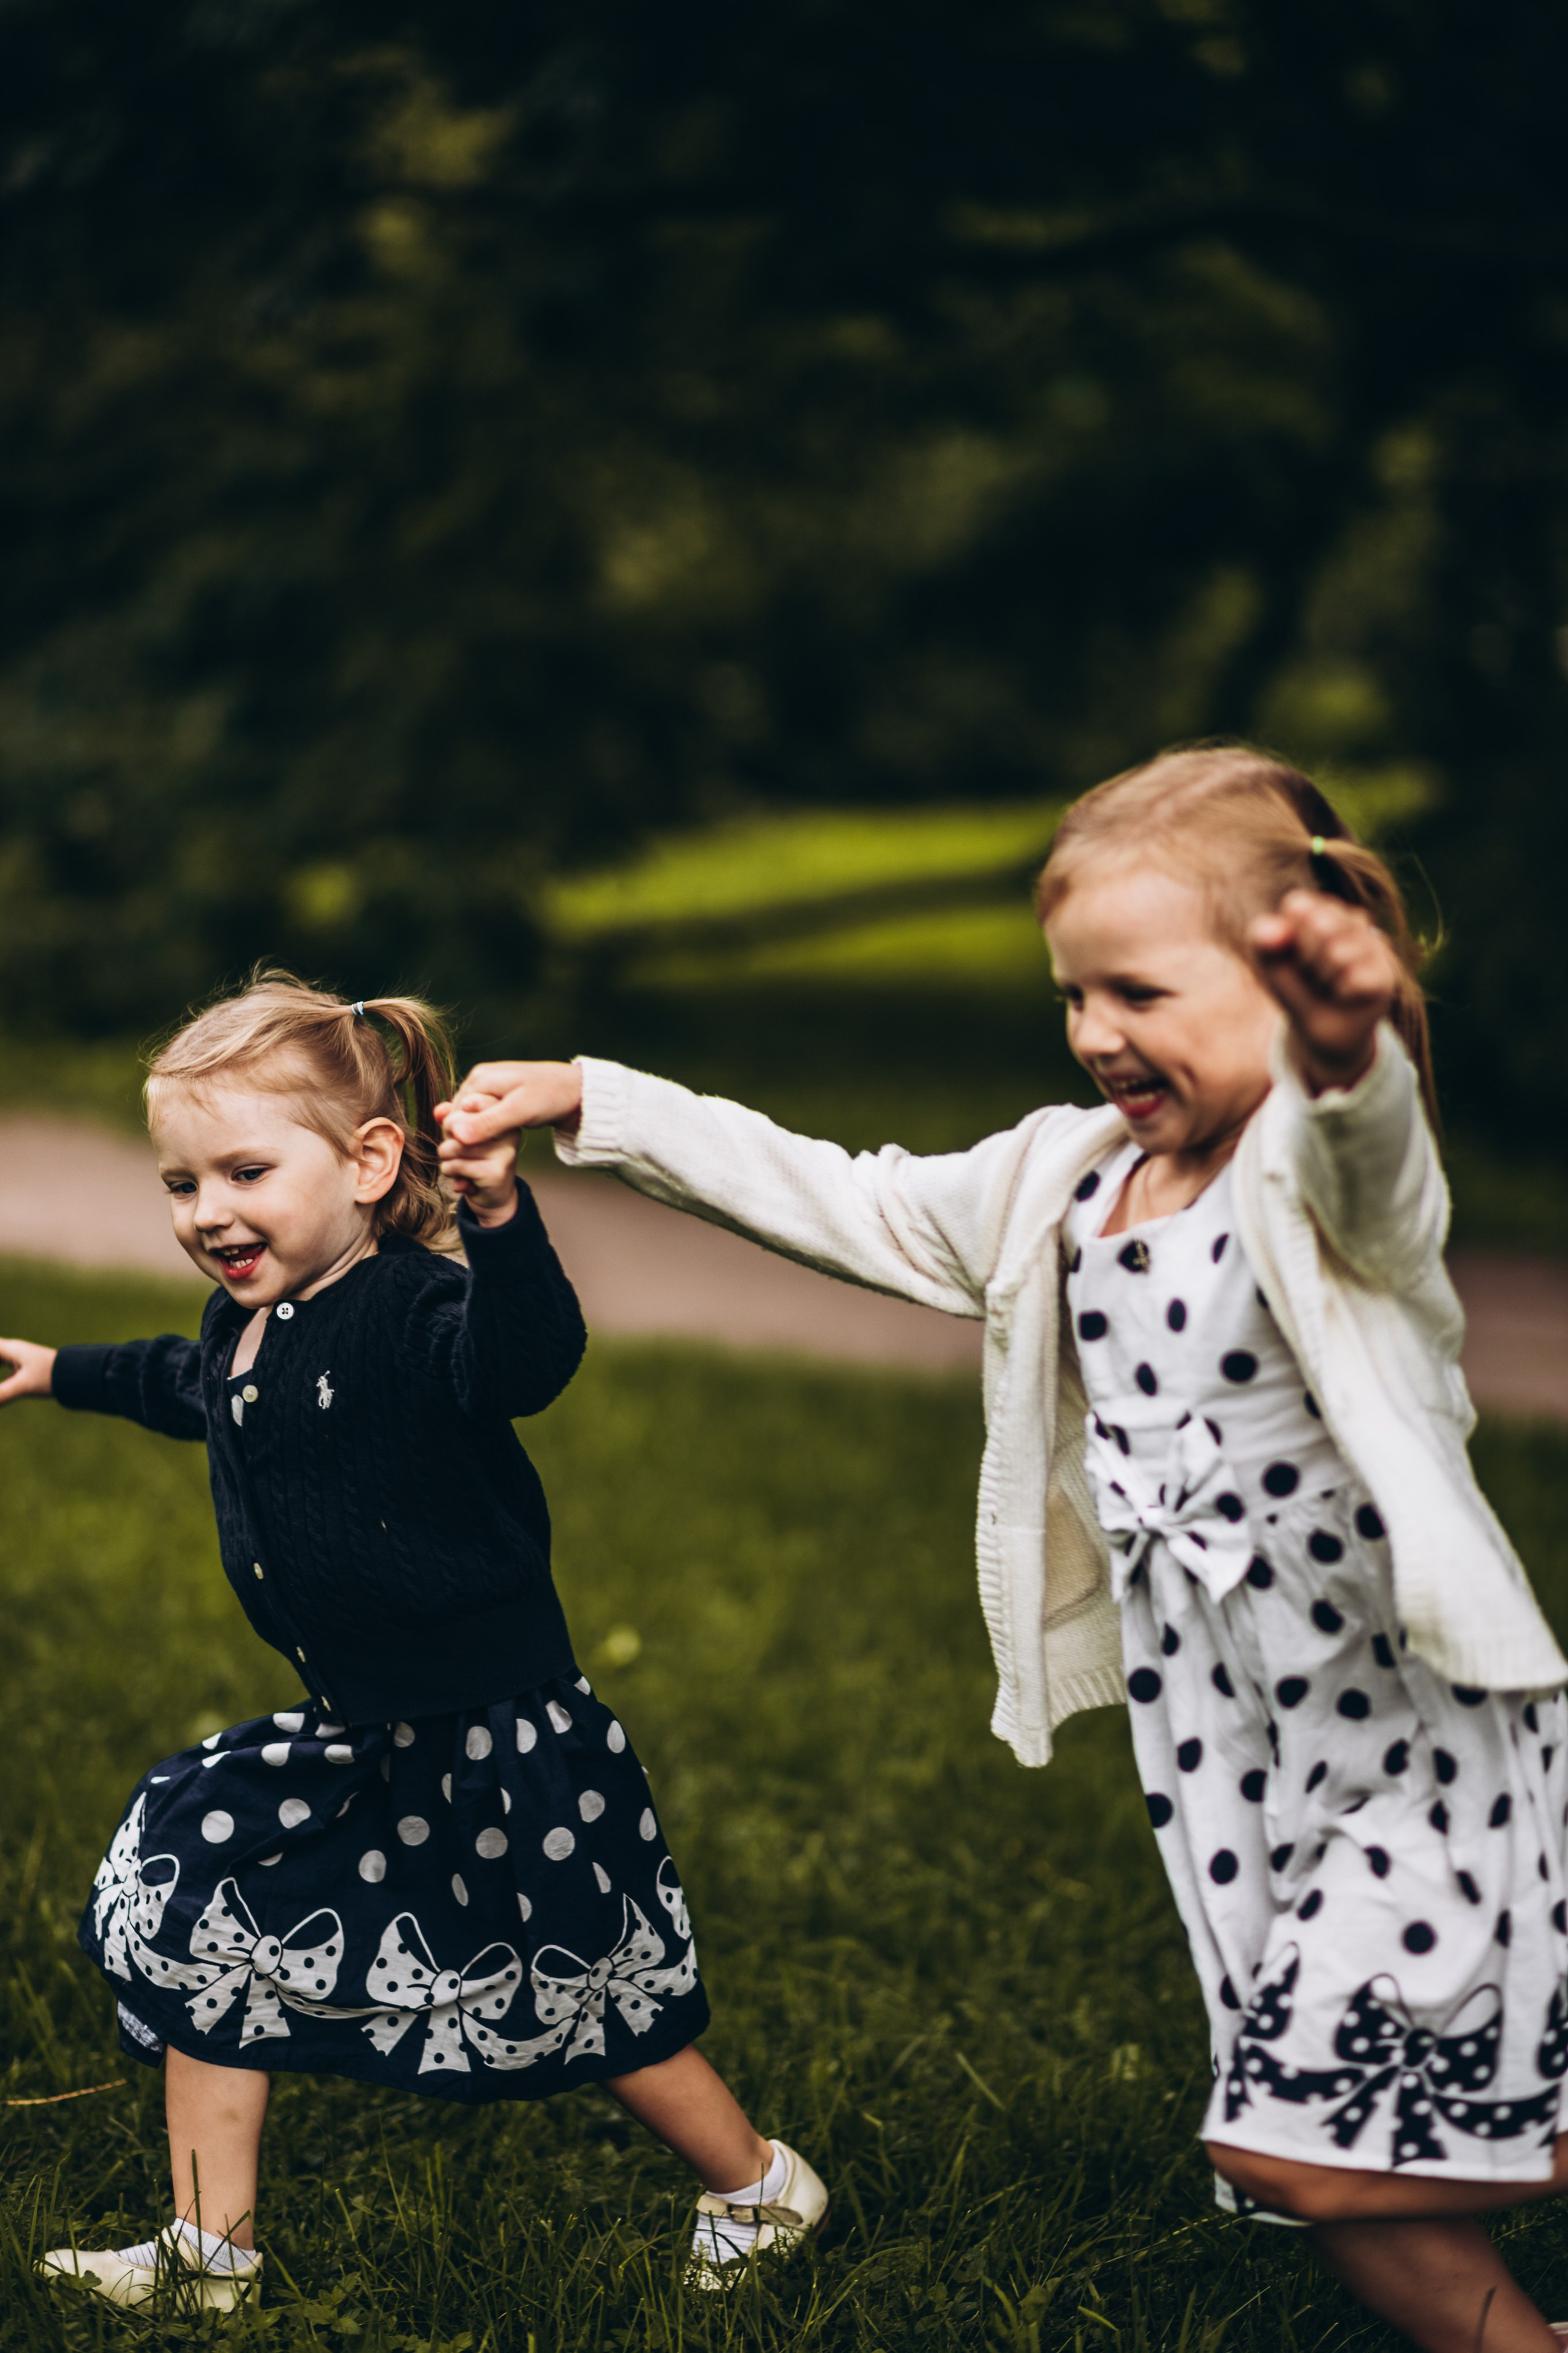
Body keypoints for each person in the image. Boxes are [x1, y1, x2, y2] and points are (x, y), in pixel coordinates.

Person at [439, 746, 1568, 2353]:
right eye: (1074, 995)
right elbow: (838, 1196)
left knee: (1305, 2143)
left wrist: (1346, 1047)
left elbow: (1373, 1156)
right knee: (1339, 2133)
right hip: (1234, 1760)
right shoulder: (1062, 1180)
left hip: (1417, 1734)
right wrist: (594, 1102)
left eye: (1143, 992)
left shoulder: (1319, 1189)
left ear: (1288, 972)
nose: (1101, 1033)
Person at [0, 973, 826, 2313]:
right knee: (212, 1909)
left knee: (586, 1992)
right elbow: (184, 1382)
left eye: (246, 1170)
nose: (208, 1211)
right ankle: (211, 2254)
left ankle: (757, 2185)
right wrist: (61, 1369)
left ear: (372, 1161)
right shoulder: (249, 1318)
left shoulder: (412, 1307)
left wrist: (502, 1218)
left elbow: (521, 1365)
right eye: (180, 1183)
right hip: (361, 1730)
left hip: (499, 1739)